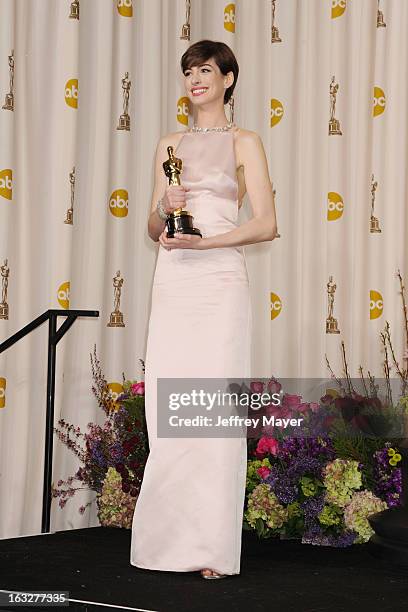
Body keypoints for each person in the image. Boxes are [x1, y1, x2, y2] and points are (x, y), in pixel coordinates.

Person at [130, 39, 277, 579]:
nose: (196, 79)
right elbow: (152, 228)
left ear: (228, 79)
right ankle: (166, 545)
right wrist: (162, 212)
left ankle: (213, 550)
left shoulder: (246, 141)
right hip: (172, 280)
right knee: (169, 412)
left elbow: (266, 223)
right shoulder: (170, 143)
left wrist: (208, 244)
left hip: (217, 277)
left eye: (207, 70)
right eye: (189, 71)